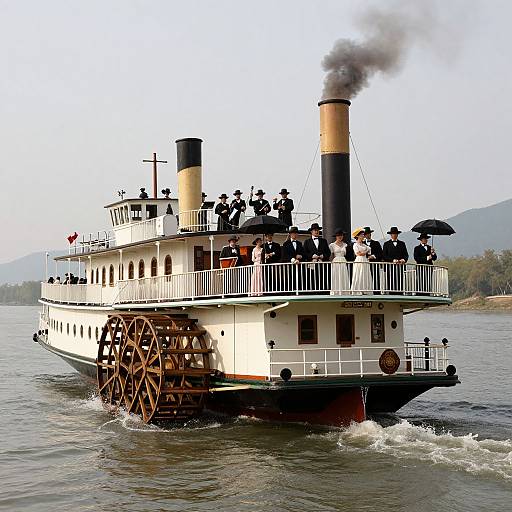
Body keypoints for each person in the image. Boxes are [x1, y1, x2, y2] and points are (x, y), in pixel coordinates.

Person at [303, 223, 331, 291]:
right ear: (311, 231)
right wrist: (312, 256)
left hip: (322, 264)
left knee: (323, 278)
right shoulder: (307, 242)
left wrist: (323, 256)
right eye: (315, 230)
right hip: (312, 264)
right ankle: (312, 292)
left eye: (317, 230)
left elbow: (328, 252)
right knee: (312, 278)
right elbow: (304, 253)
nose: (316, 231)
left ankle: (323, 292)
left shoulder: (324, 241)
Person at [382, 227, 409, 293]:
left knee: (400, 281)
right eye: (393, 234)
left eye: (396, 234)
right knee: (390, 281)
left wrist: (403, 260)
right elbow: (384, 256)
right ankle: (391, 294)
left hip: (400, 267)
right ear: (391, 235)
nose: (394, 235)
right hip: (390, 267)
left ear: (397, 234)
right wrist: (392, 260)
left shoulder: (402, 244)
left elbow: (406, 255)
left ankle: (400, 293)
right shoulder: (386, 244)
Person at [282, 226, 304, 292]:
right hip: (290, 266)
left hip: (299, 266)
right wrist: (292, 259)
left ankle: (299, 291)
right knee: (290, 279)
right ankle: (290, 291)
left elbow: (303, 254)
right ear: (290, 234)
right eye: (293, 233)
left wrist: (301, 256)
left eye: (296, 233)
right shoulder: (286, 244)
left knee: (299, 279)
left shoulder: (300, 244)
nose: (294, 234)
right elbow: (284, 255)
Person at [351, 228, 372, 294]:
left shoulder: (364, 245)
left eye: (363, 235)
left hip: (365, 260)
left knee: (365, 274)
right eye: (362, 235)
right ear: (357, 236)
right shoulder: (355, 245)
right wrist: (365, 251)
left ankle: (365, 289)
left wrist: (366, 252)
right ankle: (358, 290)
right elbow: (358, 253)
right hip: (359, 260)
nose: (363, 236)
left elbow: (369, 252)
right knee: (359, 274)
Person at [329, 229, 350, 294]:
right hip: (336, 261)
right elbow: (331, 255)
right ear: (336, 236)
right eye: (338, 235)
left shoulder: (345, 245)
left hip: (343, 260)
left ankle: (344, 291)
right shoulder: (332, 245)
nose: (340, 237)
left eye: (341, 235)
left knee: (343, 276)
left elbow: (348, 255)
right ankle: (336, 291)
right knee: (336, 276)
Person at [364, 226, 383, 292]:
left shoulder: (376, 243)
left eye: (368, 234)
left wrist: (373, 256)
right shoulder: (361, 244)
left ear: (370, 234)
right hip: (365, 264)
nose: (367, 235)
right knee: (365, 277)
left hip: (374, 264)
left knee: (375, 278)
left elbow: (380, 254)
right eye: (365, 234)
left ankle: (376, 291)